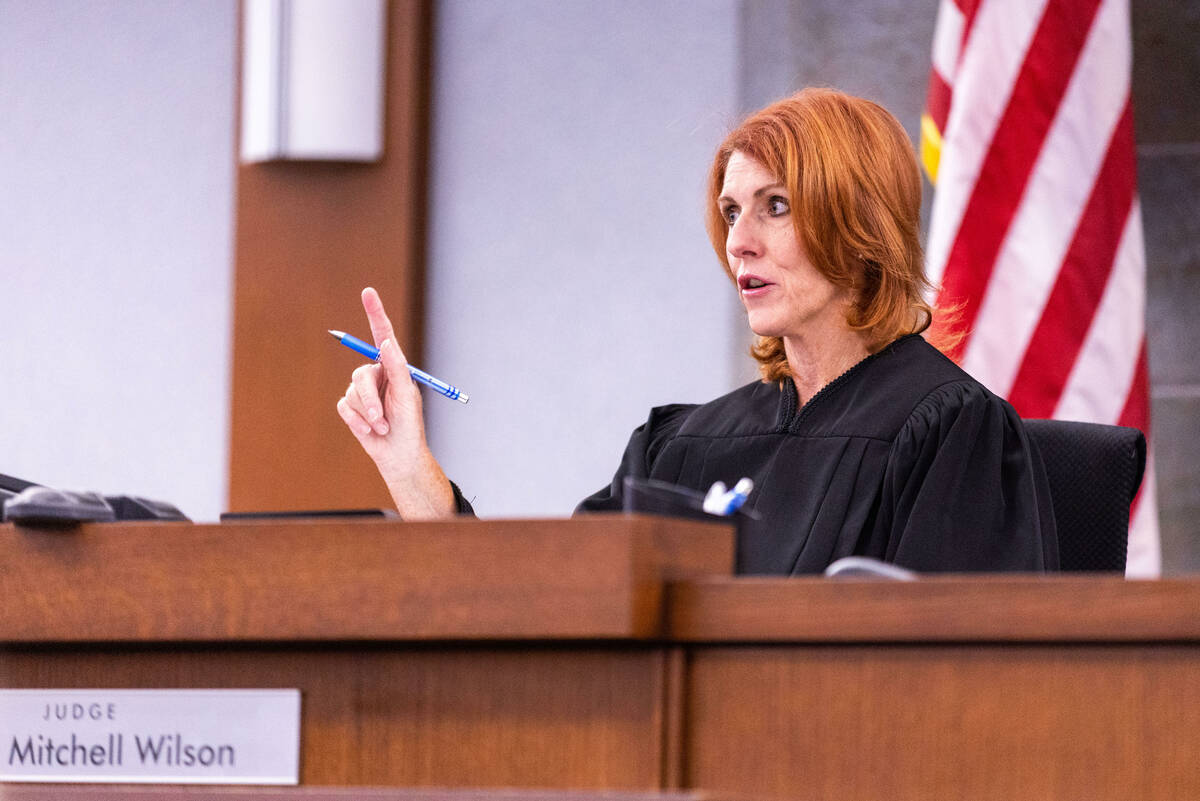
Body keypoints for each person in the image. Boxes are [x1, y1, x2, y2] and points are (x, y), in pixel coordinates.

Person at [337, 88, 1059, 574]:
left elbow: (953, 687)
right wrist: (408, 464)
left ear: (860, 223)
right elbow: (542, 606)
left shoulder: (949, 430)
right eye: (731, 209)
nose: (739, 240)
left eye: (775, 206)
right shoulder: (681, 446)